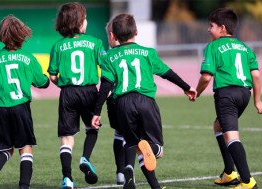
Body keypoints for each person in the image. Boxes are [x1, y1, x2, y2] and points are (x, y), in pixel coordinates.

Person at [91, 13, 197, 189]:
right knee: (155, 149)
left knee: (134, 144)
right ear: (137, 32)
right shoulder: (148, 53)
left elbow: (105, 86)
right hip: (146, 102)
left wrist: (96, 112)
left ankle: (136, 181)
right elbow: (167, 72)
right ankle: (153, 150)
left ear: (114, 36)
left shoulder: (109, 57)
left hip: (123, 104)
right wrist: (186, 87)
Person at [195, 7, 262, 189]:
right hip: (245, 94)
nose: (208, 29)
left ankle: (248, 181)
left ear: (222, 28)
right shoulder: (245, 48)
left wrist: (197, 91)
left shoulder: (212, 46)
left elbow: (206, 77)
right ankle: (229, 173)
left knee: (231, 136)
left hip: (226, 95)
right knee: (219, 125)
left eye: (211, 26)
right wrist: (257, 100)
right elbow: (256, 76)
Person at [0, 15, 50, 189]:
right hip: (21, 108)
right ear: (22, 35)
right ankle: (24, 186)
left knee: (5, 148)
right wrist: (46, 79)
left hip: (0, 109)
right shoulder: (28, 58)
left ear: (1, 35)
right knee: (25, 148)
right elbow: (42, 82)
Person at [47, 2, 106, 189]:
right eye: (85, 18)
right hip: (89, 92)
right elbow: (107, 69)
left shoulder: (58, 46)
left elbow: (53, 76)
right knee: (92, 128)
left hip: (68, 93)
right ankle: (85, 158)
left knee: (66, 137)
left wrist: (63, 84)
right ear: (79, 22)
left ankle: (67, 178)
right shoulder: (96, 43)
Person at [105, 19, 136, 185]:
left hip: (112, 100)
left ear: (112, 35)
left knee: (119, 133)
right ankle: (128, 169)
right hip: (128, 99)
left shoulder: (107, 55)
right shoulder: (129, 52)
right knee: (130, 135)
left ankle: (120, 172)